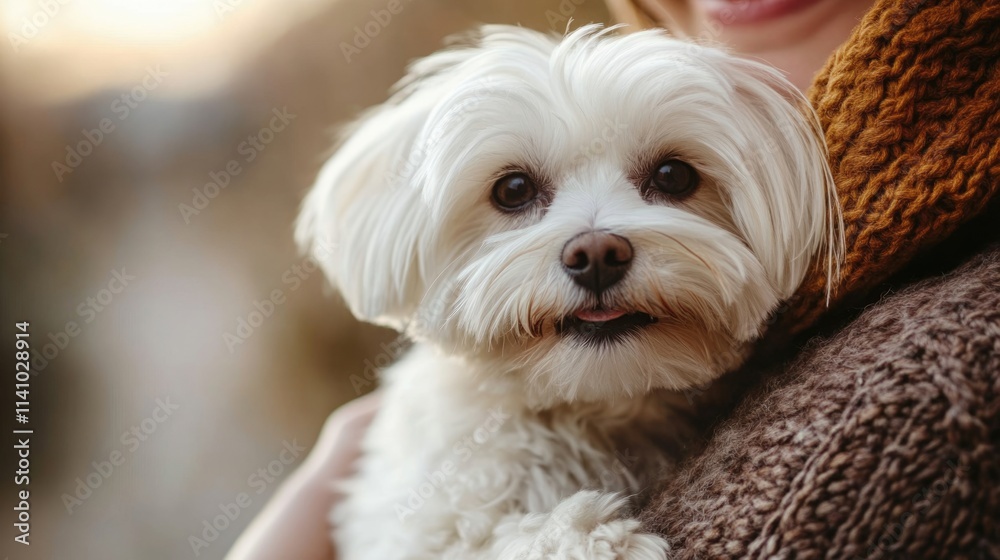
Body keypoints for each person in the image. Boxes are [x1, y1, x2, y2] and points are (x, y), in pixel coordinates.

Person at [228, 0, 999, 557]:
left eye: (670, 178)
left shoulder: (933, 374)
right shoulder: (430, 460)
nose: (595, 245)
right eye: (515, 194)